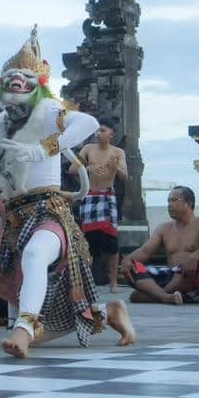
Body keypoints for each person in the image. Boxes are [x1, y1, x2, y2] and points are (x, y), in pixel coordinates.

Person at [0, 27, 135, 358]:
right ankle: (109, 313)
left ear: (36, 85)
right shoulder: (0, 126)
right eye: (10, 80)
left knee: (36, 255)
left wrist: (43, 149)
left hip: (47, 210)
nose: (15, 86)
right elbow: (1, 173)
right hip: (14, 218)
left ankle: (24, 331)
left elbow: (88, 125)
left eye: (23, 80)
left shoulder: (48, 111)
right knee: (38, 318)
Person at [122, 186, 199, 305]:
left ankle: (158, 295)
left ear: (189, 203)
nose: (169, 205)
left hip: (196, 282)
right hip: (170, 278)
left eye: (174, 200)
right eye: (168, 201)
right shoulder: (164, 228)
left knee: (194, 265)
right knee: (132, 266)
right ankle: (167, 296)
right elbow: (145, 251)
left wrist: (194, 257)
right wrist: (128, 260)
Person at [73, 117, 128, 293]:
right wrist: (87, 168)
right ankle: (85, 281)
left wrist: (115, 167)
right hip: (89, 196)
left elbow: (125, 176)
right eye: (96, 130)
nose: (98, 133)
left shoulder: (118, 152)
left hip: (107, 196)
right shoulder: (87, 149)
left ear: (111, 133)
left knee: (111, 241)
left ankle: (113, 282)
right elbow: (72, 169)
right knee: (87, 240)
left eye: (102, 130)